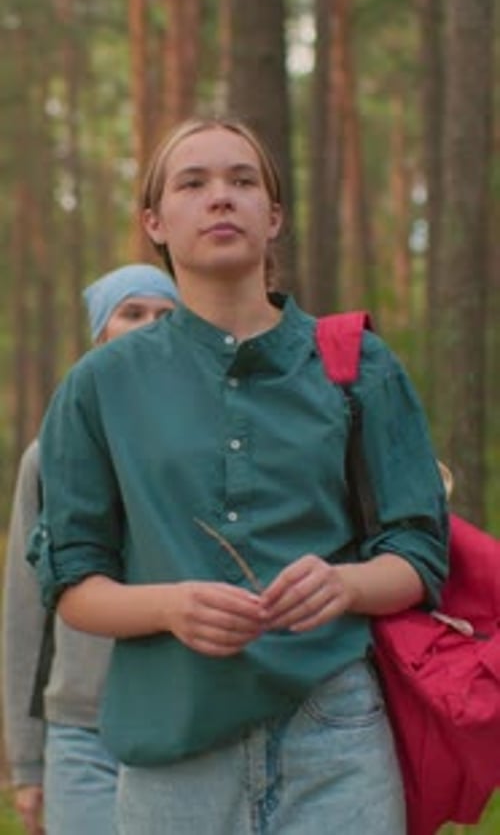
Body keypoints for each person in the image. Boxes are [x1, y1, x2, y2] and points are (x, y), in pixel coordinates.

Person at [28, 117, 448, 835]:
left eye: (242, 180)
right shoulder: (98, 387)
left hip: (336, 731)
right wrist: (168, 607)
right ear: (156, 221)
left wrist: (344, 583)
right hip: (171, 753)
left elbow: (420, 551)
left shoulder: (359, 365)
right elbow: (72, 583)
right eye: (194, 183)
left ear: (274, 216)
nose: (221, 197)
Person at [2, 264, 179, 835]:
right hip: (82, 733)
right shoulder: (49, 455)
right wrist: (28, 764)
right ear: (101, 332)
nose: (149, 326)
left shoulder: (209, 448)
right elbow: (26, 613)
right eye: (132, 313)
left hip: (184, 723)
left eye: (165, 315)